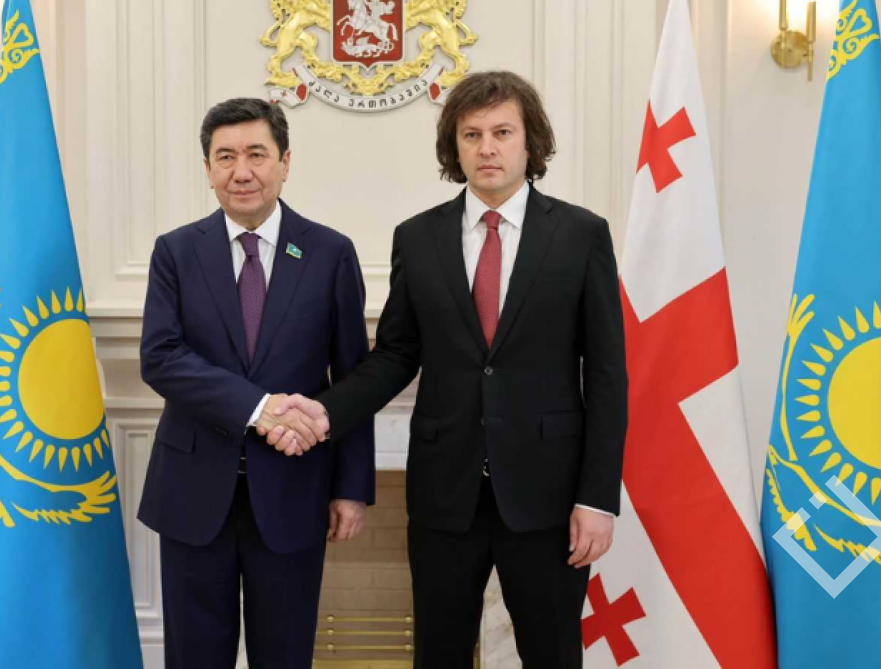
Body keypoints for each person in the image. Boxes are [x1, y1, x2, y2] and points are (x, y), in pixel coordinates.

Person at [261, 71, 628, 668]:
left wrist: (598, 498)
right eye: (471, 134)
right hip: (444, 493)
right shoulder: (418, 237)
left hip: (549, 494)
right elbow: (395, 355)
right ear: (454, 147)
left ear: (530, 142)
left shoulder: (581, 235)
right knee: (438, 652)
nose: (487, 148)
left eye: (502, 132)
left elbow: (608, 375)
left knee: (553, 654)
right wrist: (324, 412)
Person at [138, 98, 375, 669]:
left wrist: (351, 487)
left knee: (285, 654)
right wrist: (258, 407)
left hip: (294, 491)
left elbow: (353, 378)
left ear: (285, 162)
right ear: (208, 169)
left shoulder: (330, 252)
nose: (241, 171)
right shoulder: (176, 252)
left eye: (256, 154)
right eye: (225, 157)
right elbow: (160, 358)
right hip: (193, 492)